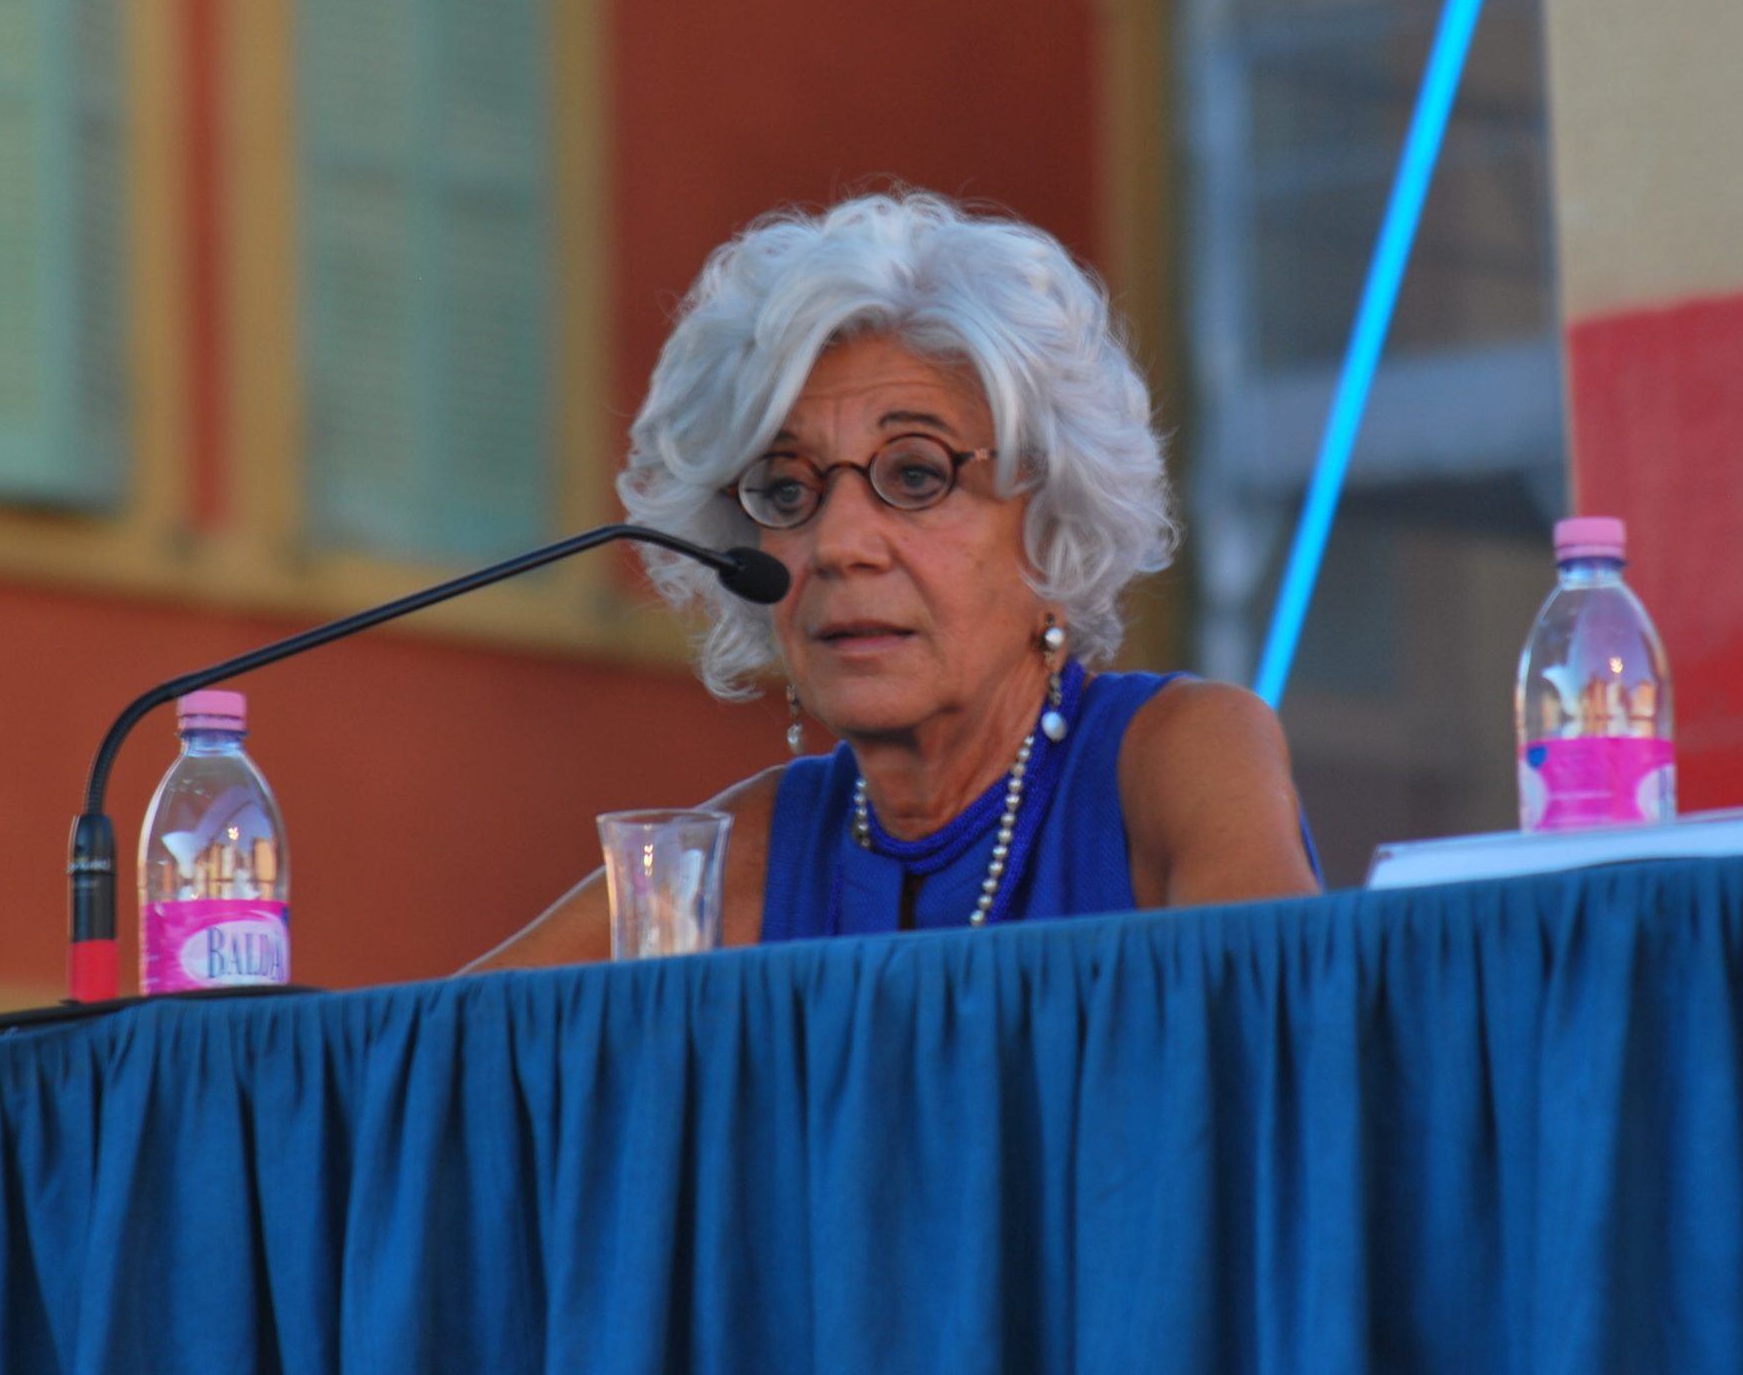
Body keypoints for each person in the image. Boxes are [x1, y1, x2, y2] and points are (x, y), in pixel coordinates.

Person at [473, 191, 1318, 966]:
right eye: (787, 491)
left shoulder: (1180, 756)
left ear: (1053, 526)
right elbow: (439, 1049)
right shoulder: (744, 854)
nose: (839, 545)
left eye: (916, 475)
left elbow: (1281, 1019)